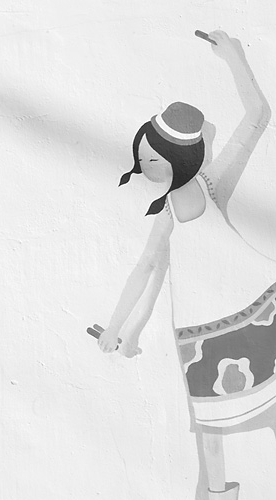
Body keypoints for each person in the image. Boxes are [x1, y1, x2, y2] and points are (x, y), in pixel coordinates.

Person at [96, 31, 272, 500]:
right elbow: (150, 273)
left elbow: (257, 117)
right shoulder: (167, 212)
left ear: (176, 158)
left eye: (150, 158)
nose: (143, 166)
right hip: (202, 331)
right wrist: (122, 330)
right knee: (211, 438)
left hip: (256, 307)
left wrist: (233, 56)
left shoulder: (212, 184)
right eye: (142, 158)